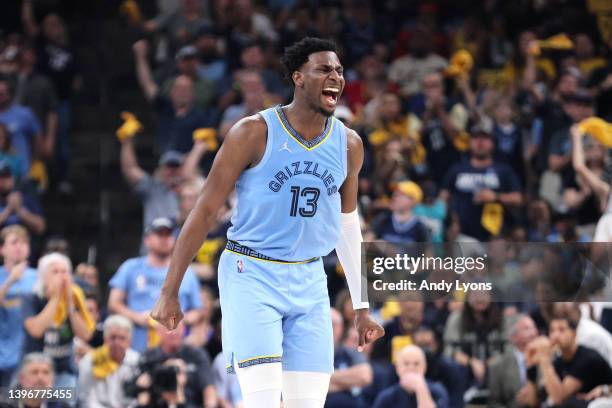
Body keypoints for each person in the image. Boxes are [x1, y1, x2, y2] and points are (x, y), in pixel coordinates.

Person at [151, 37, 384, 408]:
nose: (335, 77)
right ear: (298, 78)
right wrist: (170, 290)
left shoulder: (349, 144)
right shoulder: (253, 132)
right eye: (323, 69)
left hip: (309, 278)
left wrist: (362, 306)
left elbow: (347, 225)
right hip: (252, 271)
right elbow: (205, 211)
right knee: (261, 400)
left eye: (339, 71)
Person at [108, 217, 202, 353]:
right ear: (147, 240)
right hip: (134, 349)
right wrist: (139, 318)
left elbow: (198, 312)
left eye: (168, 235)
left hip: (173, 350)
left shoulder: (186, 272)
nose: (164, 239)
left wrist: (174, 320)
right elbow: (113, 303)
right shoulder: (130, 267)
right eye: (159, 234)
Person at [22, 252, 95, 389]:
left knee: (66, 400)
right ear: (43, 276)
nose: (62, 276)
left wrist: (70, 306)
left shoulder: (74, 298)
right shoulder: (31, 298)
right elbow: (35, 330)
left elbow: (85, 335)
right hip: (35, 369)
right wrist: (55, 298)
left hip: (63, 370)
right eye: (55, 272)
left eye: (65, 271)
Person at [440, 123, 522, 241]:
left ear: (493, 143)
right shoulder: (457, 170)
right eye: (476, 138)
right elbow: (442, 198)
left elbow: (518, 198)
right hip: (462, 235)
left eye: (485, 138)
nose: (480, 142)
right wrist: (450, 220)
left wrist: (495, 196)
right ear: (470, 142)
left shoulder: (504, 170)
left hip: (495, 236)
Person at [527, 312, 612, 407]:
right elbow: (533, 401)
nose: (556, 335)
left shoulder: (588, 358)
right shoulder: (559, 361)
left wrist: (545, 360)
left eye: (561, 330)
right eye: (552, 331)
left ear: (574, 333)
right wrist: (531, 368)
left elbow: (559, 398)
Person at [136, 321, 217, 408]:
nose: (173, 333)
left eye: (176, 328)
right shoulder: (148, 357)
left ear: (184, 329)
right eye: (168, 328)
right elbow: (139, 391)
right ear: (158, 331)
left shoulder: (196, 355)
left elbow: (209, 391)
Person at [0, 225, 38, 386]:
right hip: (3, 351)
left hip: (29, 353)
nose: (19, 246)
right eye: (14, 242)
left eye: (24, 243)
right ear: (2, 249)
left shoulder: (38, 277)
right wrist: (10, 281)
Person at [77, 314, 139, 408]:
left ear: (129, 341)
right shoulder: (90, 360)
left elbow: (138, 398)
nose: (117, 342)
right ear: (105, 339)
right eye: (113, 337)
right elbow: (86, 397)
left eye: (122, 338)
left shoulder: (137, 361)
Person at [372, 344, 449, 408]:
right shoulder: (386, 398)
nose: (411, 368)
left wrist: (420, 387)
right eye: (406, 363)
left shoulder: (437, 391)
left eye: (416, 364)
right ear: (397, 368)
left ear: (424, 366)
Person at [488, 314, 539, 408]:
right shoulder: (498, 366)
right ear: (513, 337)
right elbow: (493, 403)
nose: (533, 333)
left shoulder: (548, 359)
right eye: (527, 329)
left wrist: (534, 394)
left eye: (534, 327)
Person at [326, 308, 373, 408]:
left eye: (334, 324)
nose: (330, 327)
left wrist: (324, 379)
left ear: (341, 328)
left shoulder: (349, 351)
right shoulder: (309, 354)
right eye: (325, 322)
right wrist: (349, 382)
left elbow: (364, 376)